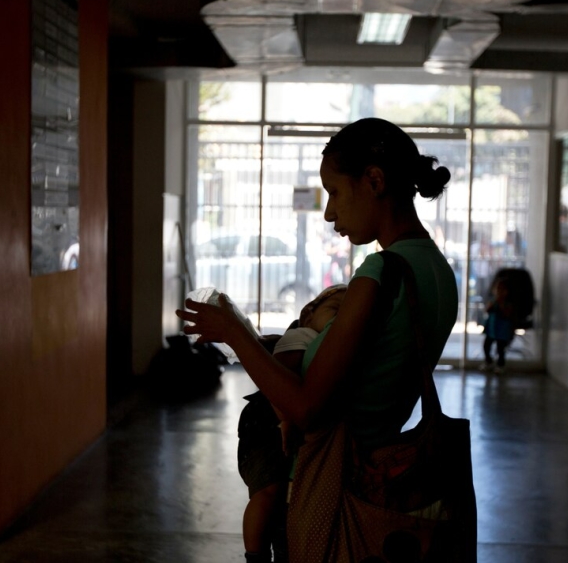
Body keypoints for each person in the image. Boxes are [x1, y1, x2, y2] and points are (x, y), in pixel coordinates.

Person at [176, 117, 458, 560]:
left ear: (374, 181)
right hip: (380, 470)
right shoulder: (439, 272)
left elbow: (307, 407)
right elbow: (370, 363)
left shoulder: (378, 274)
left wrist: (233, 332)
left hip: (334, 481)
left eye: (335, 192)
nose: (329, 213)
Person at [238, 284, 347, 563]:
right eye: (334, 311)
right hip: (267, 421)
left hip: (285, 422)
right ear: (308, 313)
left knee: (282, 499)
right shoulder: (302, 335)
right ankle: (255, 555)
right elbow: (280, 375)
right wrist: (285, 419)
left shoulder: (327, 341)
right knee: (267, 492)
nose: (338, 320)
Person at [480, 275, 514, 373]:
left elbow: (507, 314)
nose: (499, 291)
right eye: (497, 289)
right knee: (486, 346)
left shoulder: (507, 303)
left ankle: (500, 364)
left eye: (502, 289)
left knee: (500, 349)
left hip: (502, 331)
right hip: (491, 329)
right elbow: (487, 311)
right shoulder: (493, 300)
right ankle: (488, 361)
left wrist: (501, 304)